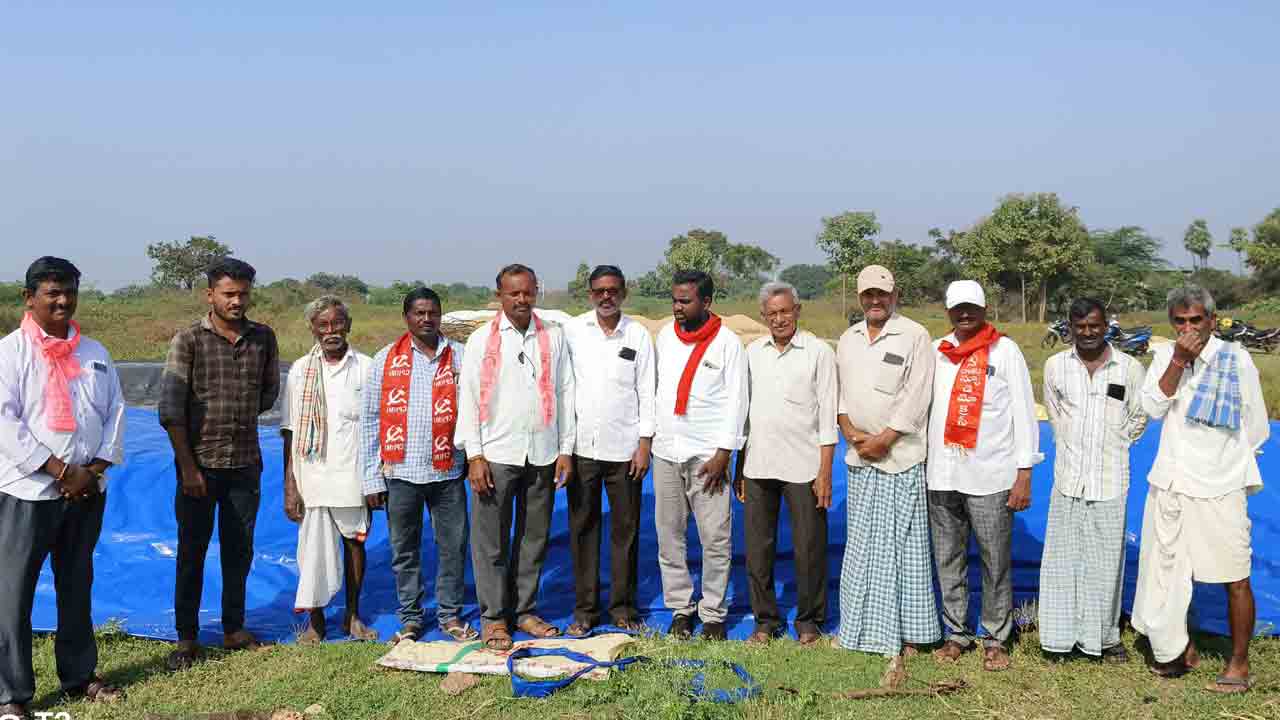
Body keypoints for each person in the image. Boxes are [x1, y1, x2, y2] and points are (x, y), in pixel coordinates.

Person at [0, 257, 126, 718]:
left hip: (86, 491)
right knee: (13, 592)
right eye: (52, 292)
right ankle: (11, 694)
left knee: (77, 584)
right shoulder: (10, 353)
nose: (62, 300)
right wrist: (57, 469)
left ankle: (78, 676)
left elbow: (115, 412)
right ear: (29, 297)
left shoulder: (94, 352)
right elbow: (4, 423)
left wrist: (91, 470)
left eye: (69, 291)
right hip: (27, 491)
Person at [1131, 285, 1268, 693]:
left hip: (1221, 486)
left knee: (1234, 576)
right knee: (1166, 573)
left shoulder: (1236, 359)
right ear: (1171, 323)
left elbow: (1256, 426)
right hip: (1172, 481)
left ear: (1212, 319)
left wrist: (1225, 466)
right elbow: (1152, 408)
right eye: (1180, 321)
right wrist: (1178, 360)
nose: (1189, 328)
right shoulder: (1162, 356)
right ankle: (1177, 648)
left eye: (1196, 320)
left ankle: (1239, 663)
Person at [159, 257, 280, 670]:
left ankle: (233, 629)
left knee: (239, 551)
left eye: (243, 293)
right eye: (229, 293)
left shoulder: (263, 338)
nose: (237, 301)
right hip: (200, 467)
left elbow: (267, 395)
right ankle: (187, 638)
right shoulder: (189, 340)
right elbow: (171, 411)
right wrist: (189, 468)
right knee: (191, 552)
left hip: (245, 463)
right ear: (210, 294)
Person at [456, 264, 575, 651]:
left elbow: (565, 392)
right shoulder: (480, 341)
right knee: (490, 541)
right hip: (496, 454)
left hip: (541, 451)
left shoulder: (553, 336)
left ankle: (524, 610)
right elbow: (469, 399)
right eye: (514, 293)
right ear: (500, 295)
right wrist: (474, 455)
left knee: (533, 537)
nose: (522, 300)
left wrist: (565, 449)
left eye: (528, 292)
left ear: (536, 292)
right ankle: (493, 618)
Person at [927, 280, 1041, 672]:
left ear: (984, 308)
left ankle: (995, 637)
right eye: (957, 308)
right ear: (947, 310)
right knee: (948, 557)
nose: (964, 314)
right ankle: (956, 632)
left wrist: (1024, 471)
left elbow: (1025, 414)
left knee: (995, 561)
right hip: (943, 473)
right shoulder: (937, 352)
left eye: (971, 307)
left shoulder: (1005, 351)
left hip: (991, 475)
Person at [833, 265, 939, 664]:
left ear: (894, 296)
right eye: (868, 295)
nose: (875, 301)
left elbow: (917, 396)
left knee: (903, 548)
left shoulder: (913, 335)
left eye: (882, 294)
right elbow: (840, 396)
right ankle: (860, 628)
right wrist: (851, 433)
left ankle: (910, 633)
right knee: (863, 547)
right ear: (860, 298)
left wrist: (885, 439)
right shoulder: (848, 338)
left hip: (900, 458)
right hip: (860, 459)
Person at [361, 286, 475, 644]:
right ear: (407, 317)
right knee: (404, 549)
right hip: (401, 473)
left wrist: (474, 458)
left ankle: (450, 615)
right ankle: (411, 618)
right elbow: (369, 419)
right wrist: (371, 478)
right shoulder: (385, 359)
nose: (427, 319)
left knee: (453, 546)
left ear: (440, 316)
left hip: (449, 471)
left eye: (433, 313)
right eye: (419, 313)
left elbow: (474, 411)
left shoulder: (460, 356)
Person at [1039, 297, 1148, 662]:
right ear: (1069, 326)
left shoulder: (1129, 369)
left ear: (1106, 326)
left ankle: (1103, 638)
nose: (1087, 333)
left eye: (1094, 326)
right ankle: (1057, 640)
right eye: (1080, 326)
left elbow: (1138, 419)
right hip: (1068, 479)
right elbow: (1055, 416)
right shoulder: (1055, 367)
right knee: (1061, 562)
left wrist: (1113, 443)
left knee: (1106, 562)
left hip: (1110, 479)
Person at [735, 281, 836, 646]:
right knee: (758, 548)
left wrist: (825, 472)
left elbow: (828, 418)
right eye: (772, 313)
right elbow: (743, 418)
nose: (780, 319)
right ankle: (765, 621)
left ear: (798, 311)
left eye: (785, 311)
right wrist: (739, 468)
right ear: (763, 316)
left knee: (809, 545)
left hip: (804, 465)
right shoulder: (752, 354)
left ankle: (809, 620)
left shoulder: (818, 352)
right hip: (759, 464)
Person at [652, 270, 748, 641]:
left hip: (709, 456)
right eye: (674, 300)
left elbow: (738, 401)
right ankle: (679, 608)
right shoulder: (665, 338)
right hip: (666, 452)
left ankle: (712, 614)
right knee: (670, 537)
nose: (677, 307)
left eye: (685, 301)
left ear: (706, 302)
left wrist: (725, 452)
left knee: (715, 538)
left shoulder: (728, 344)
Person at [564, 266, 655, 635]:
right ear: (590, 294)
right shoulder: (573, 332)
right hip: (583, 447)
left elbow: (647, 390)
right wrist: (565, 449)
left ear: (624, 293)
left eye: (613, 290)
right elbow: (564, 389)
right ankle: (585, 610)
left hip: (625, 450)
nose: (607, 297)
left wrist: (645, 443)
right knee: (583, 529)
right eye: (600, 290)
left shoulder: (638, 334)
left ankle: (622, 607)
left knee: (626, 531)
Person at [280, 296, 377, 643]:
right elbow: (290, 431)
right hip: (312, 475)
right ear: (313, 329)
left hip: (353, 473)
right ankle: (316, 622)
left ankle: (352, 616)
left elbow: (376, 428)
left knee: (355, 542)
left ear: (348, 326)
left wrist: (375, 479)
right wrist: (290, 484)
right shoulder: (300, 372)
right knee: (313, 549)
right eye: (323, 325)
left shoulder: (366, 368)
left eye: (337, 323)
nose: (331, 331)